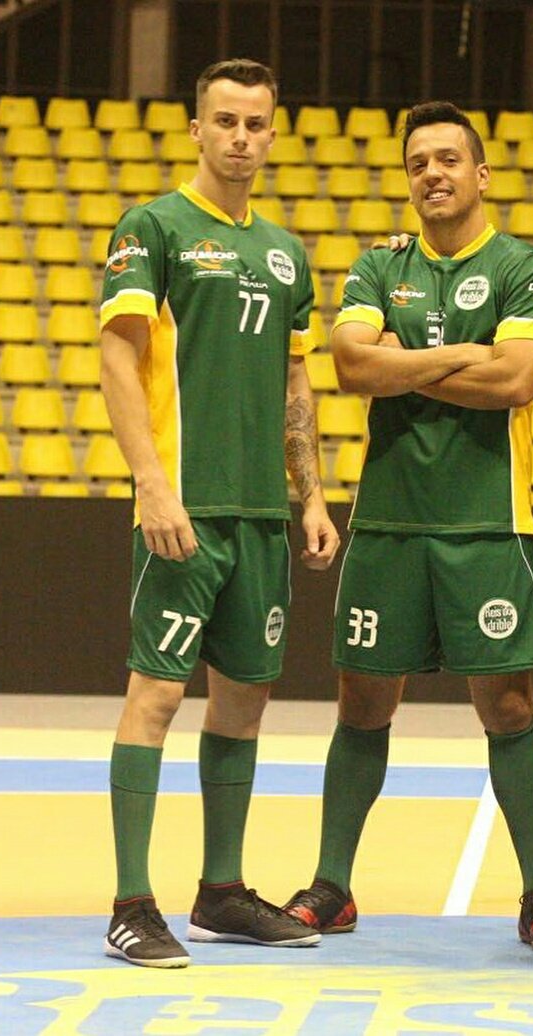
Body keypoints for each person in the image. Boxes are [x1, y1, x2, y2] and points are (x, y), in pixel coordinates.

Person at [282, 101, 533, 949]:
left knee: (507, 708)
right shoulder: (378, 264)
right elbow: (350, 364)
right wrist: (457, 358)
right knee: (361, 702)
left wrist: (403, 366)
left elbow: (515, 381)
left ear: (481, 174)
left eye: (449, 159)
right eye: (418, 163)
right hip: (390, 524)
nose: (433, 173)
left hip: (486, 524)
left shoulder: (523, 265)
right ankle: (333, 885)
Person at [99, 58, 340, 968]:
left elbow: (292, 376)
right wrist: (152, 485)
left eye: (256, 124)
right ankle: (131, 902)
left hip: (261, 516)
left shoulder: (284, 251)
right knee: (155, 696)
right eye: (225, 121)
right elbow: (118, 359)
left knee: (244, 700)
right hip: (185, 509)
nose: (241, 136)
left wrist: (309, 494)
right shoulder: (152, 227)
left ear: (273, 135)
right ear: (196, 129)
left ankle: (221, 893)